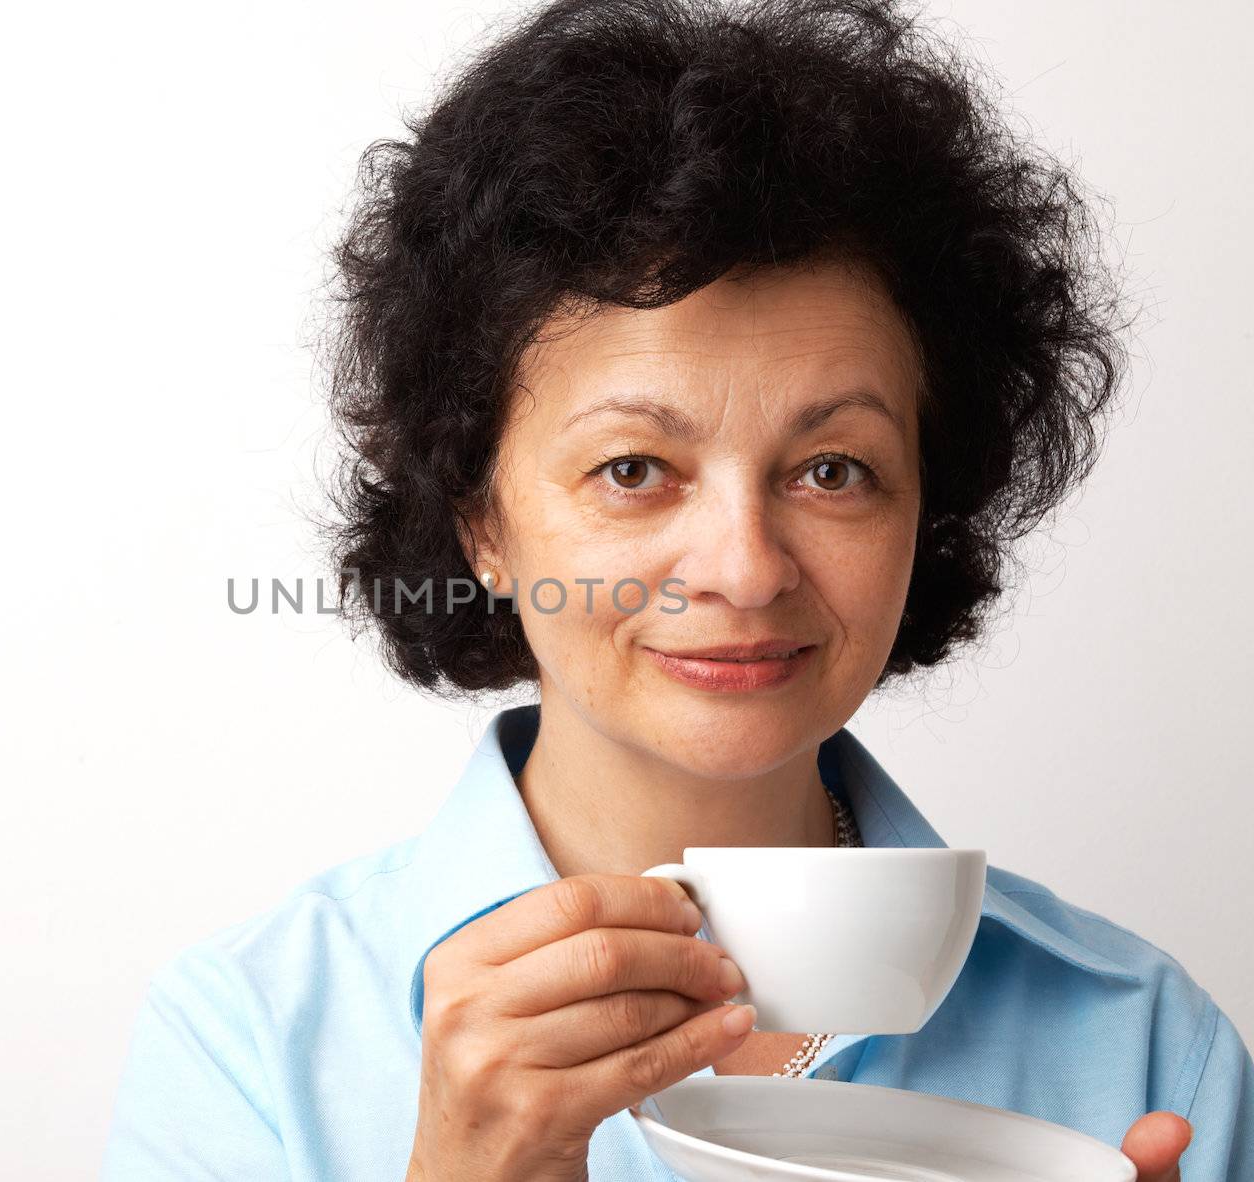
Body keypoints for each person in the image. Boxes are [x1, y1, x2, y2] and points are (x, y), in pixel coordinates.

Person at [101, 0, 1254, 1177]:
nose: (746, 567)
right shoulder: (248, 1046)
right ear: (480, 521)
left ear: (928, 507)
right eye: (634, 470)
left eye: (831, 470)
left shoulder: (1148, 1049)